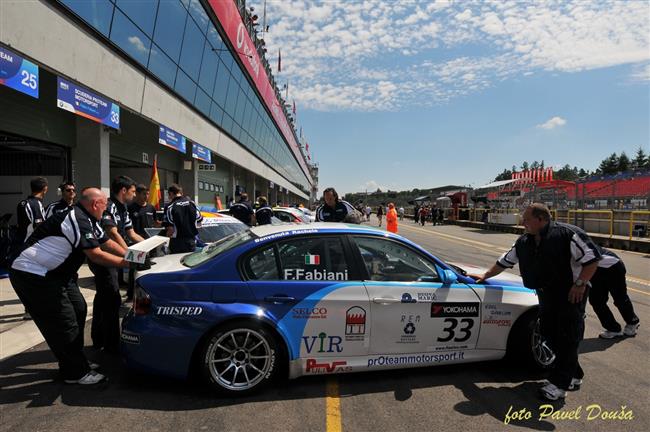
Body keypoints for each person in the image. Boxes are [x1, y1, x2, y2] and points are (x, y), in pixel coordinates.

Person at [469, 203, 601, 401]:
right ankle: (573, 373)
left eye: (527, 219)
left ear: (541, 219)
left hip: (570, 294)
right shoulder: (524, 241)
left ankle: (559, 384)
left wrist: (580, 283)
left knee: (568, 335)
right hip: (544, 293)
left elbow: (592, 258)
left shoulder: (567, 235)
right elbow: (505, 261)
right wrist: (484, 275)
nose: (523, 222)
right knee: (548, 334)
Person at [9, 187, 130, 385]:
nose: (106, 209)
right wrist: (128, 264)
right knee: (64, 321)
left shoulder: (90, 218)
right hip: (33, 274)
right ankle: (75, 373)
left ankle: (76, 361)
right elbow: (96, 254)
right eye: (104, 205)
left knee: (79, 309)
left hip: (58, 275)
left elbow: (106, 241)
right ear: (94, 204)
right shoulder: (76, 218)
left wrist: (132, 255)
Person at [90, 176, 144, 352]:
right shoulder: (110, 206)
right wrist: (131, 255)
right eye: (133, 191)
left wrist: (150, 246)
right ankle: (111, 344)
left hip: (116, 256)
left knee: (104, 298)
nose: (135, 195)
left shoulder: (124, 208)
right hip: (104, 258)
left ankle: (99, 339)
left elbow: (131, 232)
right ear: (123, 191)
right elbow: (112, 233)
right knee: (112, 299)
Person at [589, 249, 640, 338]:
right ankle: (613, 329)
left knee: (620, 298)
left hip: (613, 266)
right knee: (596, 300)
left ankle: (632, 322)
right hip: (595, 269)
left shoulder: (573, 244)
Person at [163, 184, 203, 253]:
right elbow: (199, 222)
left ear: (171, 193)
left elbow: (171, 230)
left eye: (169, 195)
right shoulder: (192, 203)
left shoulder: (170, 207)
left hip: (176, 243)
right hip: (191, 242)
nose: (169, 197)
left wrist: (165, 243)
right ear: (181, 192)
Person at [15, 177, 47, 246]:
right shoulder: (35, 204)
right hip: (29, 246)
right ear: (45, 188)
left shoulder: (22, 203)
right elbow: (39, 228)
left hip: (19, 243)